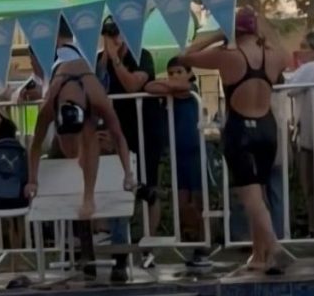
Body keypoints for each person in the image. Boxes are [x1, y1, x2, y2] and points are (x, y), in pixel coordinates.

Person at [180, 7, 290, 274]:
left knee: (250, 197)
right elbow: (279, 47)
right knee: (260, 196)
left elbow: (184, 56)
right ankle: (260, 256)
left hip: (241, 130)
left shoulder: (228, 56)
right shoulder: (275, 56)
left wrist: (218, 35)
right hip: (267, 129)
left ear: (234, 30)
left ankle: (275, 248)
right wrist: (263, 31)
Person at [25, 22, 134, 281]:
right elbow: (35, 144)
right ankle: (86, 251)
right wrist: (32, 180)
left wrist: (128, 173)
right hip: (66, 90)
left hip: (85, 96)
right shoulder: (50, 103)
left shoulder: (96, 97)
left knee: (95, 157)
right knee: (70, 173)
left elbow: (119, 136)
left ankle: (116, 252)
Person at [96, 16, 164, 271]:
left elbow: (133, 84)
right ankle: (119, 247)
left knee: (148, 188)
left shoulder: (141, 55)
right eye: (109, 34)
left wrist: (116, 58)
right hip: (117, 134)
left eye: (117, 34)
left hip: (145, 131)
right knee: (117, 187)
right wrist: (106, 59)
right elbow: (97, 90)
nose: (113, 39)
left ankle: (148, 247)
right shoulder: (100, 61)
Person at [144, 58, 209, 266]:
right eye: (171, 73)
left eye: (179, 72)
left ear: (189, 73)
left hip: (196, 152)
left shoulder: (192, 91)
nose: (174, 77)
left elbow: (183, 88)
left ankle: (203, 244)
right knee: (181, 202)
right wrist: (169, 86)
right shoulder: (171, 95)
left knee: (199, 200)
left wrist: (169, 86)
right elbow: (149, 87)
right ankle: (189, 242)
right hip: (177, 154)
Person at [285, 31, 314, 238]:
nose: (300, 50)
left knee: (310, 185)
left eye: (304, 46)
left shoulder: (311, 68)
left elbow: (288, 89)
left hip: (312, 137)